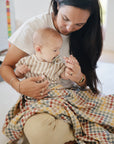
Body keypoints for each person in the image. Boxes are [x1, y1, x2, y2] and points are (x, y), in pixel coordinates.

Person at [0, 0, 114, 144]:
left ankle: (69, 130)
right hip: (41, 99)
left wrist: (79, 77)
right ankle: (78, 128)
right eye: (65, 18)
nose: (68, 28)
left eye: (79, 24)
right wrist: (18, 85)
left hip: (72, 96)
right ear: (58, 5)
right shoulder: (34, 28)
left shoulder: (88, 34)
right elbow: (6, 66)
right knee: (39, 130)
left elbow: (86, 82)